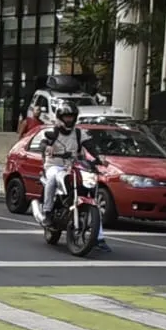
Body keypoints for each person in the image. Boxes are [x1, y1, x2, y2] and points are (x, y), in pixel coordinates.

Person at [30, 107, 112, 253]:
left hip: (73, 166)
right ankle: (48, 212)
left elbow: (91, 147)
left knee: (91, 197)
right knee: (53, 178)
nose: (69, 119)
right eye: (66, 117)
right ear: (60, 117)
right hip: (55, 166)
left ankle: (99, 237)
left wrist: (99, 158)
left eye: (71, 116)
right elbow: (43, 143)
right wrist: (48, 148)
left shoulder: (80, 133)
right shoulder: (53, 132)